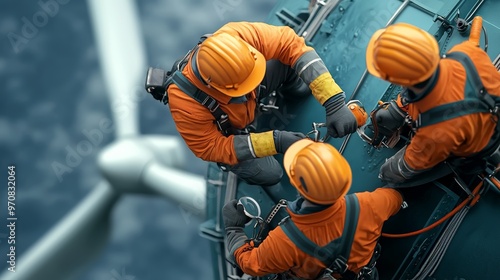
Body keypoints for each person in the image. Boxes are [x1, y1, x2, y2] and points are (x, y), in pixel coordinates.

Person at [160, 21, 359, 186]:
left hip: (248, 93)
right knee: (270, 174)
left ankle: (292, 87)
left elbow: (291, 44)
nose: (250, 89)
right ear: (216, 87)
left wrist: (333, 101)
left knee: (287, 62)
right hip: (229, 130)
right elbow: (210, 147)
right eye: (243, 87)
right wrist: (275, 141)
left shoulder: (237, 34)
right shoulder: (184, 102)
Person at [222, 139, 403, 279]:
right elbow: (396, 198)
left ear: (296, 183)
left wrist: (234, 229)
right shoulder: (371, 204)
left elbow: (250, 264)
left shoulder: (283, 242)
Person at [364, 18, 500, 185]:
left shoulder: (434, 133)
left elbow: (410, 164)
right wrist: (399, 108)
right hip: (490, 114)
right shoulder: (465, 52)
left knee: (398, 177)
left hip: (476, 147)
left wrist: (390, 171)